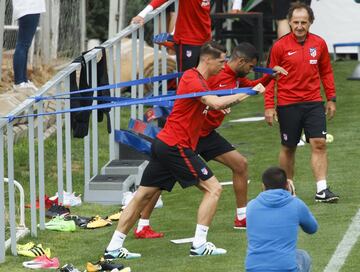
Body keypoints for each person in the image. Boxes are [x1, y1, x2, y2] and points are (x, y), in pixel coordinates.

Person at [103, 41, 265, 259]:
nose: (223, 65)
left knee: (143, 195)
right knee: (213, 189)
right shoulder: (193, 80)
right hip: (176, 146)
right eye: (221, 61)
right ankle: (199, 244)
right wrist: (248, 93)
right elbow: (215, 103)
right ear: (207, 59)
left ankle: (113, 247)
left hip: (165, 144)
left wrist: (223, 103)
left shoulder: (198, 80)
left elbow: (212, 104)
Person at [133, 42, 288, 239]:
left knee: (240, 164)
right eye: (250, 67)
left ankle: (242, 217)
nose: (250, 72)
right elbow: (204, 97)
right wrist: (219, 103)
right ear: (241, 61)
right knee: (162, 180)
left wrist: (270, 76)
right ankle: (143, 225)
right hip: (191, 135)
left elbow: (252, 87)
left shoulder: (234, 77)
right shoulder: (215, 74)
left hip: (207, 135)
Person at [264, 2, 339, 202]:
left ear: (310, 22)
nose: (299, 26)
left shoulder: (319, 43)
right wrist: (269, 105)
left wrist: (331, 98)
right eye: (296, 22)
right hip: (288, 104)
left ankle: (322, 190)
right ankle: (286, 188)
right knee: (289, 147)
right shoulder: (279, 47)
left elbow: (326, 72)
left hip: (314, 102)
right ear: (289, 22)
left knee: (319, 143)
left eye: (303, 22)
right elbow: (270, 78)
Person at [132, 0, 241, 72]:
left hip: (206, 41)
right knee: (186, 83)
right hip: (188, 42)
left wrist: (237, 6)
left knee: (204, 81)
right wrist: (142, 14)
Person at [245, 166, 318, 272]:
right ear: (287, 185)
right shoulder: (296, 204)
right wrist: (293, 197)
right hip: (285, 268)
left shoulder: (251, 206)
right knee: (303, 256)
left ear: (263, 186)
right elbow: (312, 228)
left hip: (253, 268)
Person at [12, 0, 46, 90]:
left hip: (28, 8)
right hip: (29, 8)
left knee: (24, 45)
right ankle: (19, 81)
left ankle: (23, 80)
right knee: (23, 44)